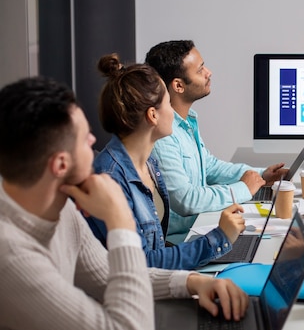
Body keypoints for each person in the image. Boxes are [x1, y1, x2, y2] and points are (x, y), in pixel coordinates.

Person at [0, 76, 248, 329]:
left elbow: (110, 275)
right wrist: (119, 220)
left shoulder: (61, 208)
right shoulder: (11, 259)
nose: (93, 142)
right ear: (61, 165)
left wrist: (192, 282)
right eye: (84, 138)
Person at [85, 54, 246, 270]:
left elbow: (155, 249)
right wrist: (218, 237)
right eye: (168, 104)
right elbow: (142, 264)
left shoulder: (148, 162)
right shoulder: (112, 177)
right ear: (153, 115)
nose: (173, 111)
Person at [146, 40, 288, 242]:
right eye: (200, 69)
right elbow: (186, 200)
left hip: (202, 227)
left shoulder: (186, 122)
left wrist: (260, 175)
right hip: (183, 241)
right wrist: (243, 189)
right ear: (178, 85)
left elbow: (209, 167)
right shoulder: (163, 136)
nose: (209, 72)